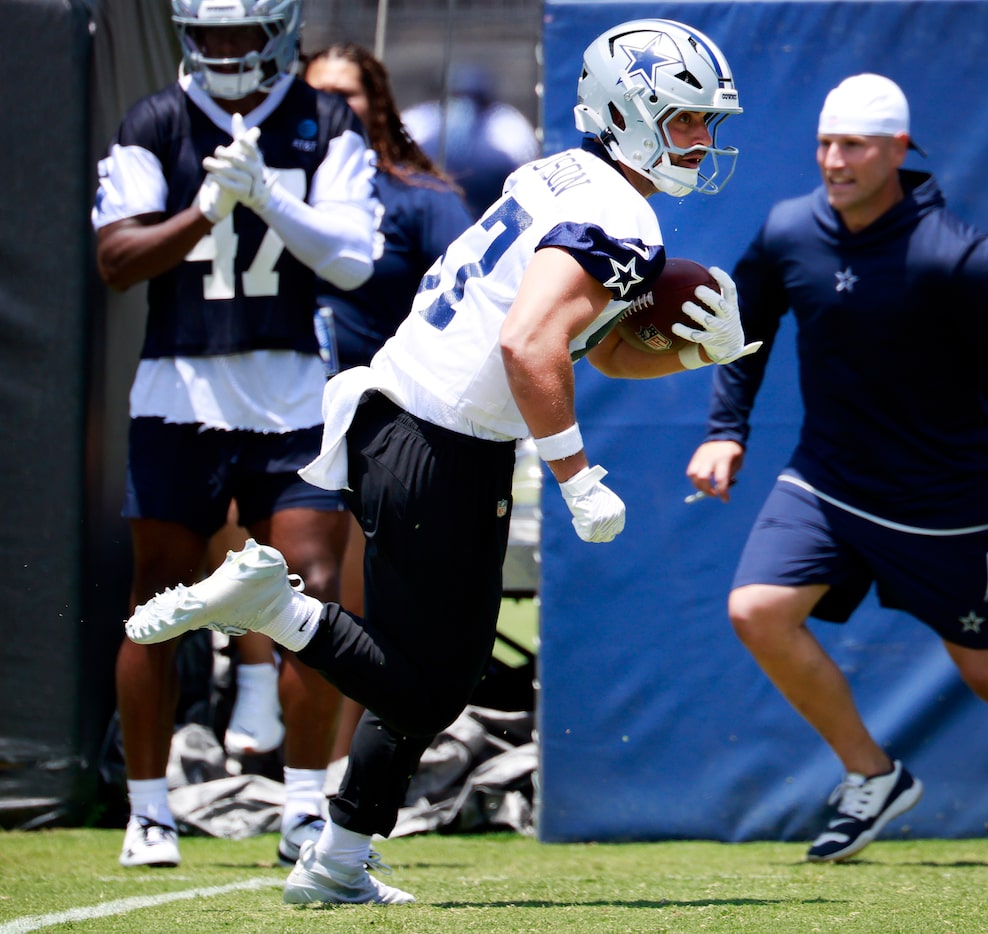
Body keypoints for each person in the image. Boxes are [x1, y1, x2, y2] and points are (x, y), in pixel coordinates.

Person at [125, 18, 752, 905]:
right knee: (431, 681)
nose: (702, 139)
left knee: (425, 671)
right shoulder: (618, 210)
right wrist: (576, 478)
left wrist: (694, 353)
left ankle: (338, 857)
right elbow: (529, 346)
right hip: (440, 437)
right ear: (631, 112)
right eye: (687, 118)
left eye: (707, 123)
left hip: (412, 420)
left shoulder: (556, 175)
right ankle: (277, 611)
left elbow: (596, 348)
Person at [684, 73, 988, 866]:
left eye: (852, 145)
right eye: (824, 144)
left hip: (945, 505)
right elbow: (745, 321)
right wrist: (724, 429)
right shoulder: (787, 232)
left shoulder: (958, 258)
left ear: (896, 150)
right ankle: (871, 774)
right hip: (826, 482)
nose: (834, 161)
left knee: (987, 668)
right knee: (756, 610)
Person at [92, 0, 377, 871]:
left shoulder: (325, 120)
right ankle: (149, 811)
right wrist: (204, 213)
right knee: (157, 599)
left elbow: (355, 259)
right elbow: (115, 261)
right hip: (178, 387)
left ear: (278, 31)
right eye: (207, 34)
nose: (223, 50)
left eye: (239, 34)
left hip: (288, 391)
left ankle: (299, 809)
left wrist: (269, 203)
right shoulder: (155, 118)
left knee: (314, 593)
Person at [303, 42, 474, 760]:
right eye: (320, 95)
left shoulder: (418, 199)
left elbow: (474, 299)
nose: (336, 109)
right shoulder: (267, 186)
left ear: (378, 103)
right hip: (279, 414)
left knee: (345, 592)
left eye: (352, 93)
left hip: (376, 426)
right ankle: (259, 720)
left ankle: (337, 769)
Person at [401, 62, 541, 220]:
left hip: (488, 212)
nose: (462, 107)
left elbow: (524, 177)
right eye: (456, 97)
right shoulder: (421, 117)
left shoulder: (505, 121)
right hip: (427, 213)